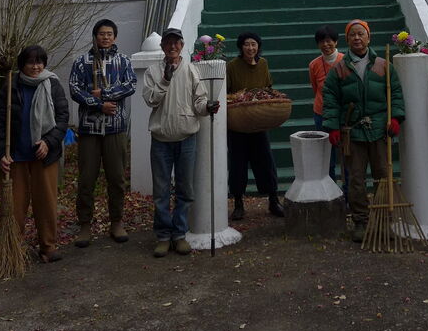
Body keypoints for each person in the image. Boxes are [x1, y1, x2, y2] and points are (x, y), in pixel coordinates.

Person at [322, 19, 404, 242]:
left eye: (361, 34)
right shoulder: (338, 69)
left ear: (369, 37)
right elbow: (330, 100)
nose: (357, 38)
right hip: (353, 132)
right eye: (352, 35)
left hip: (379, 129)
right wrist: (332, 127)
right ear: (347, 40)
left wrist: (395, 118)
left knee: (383, 176)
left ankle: (383, 219)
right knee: (356, 179)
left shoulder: (383, 66)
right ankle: (360, 220)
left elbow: (395, 93)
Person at [142, 26, 219, 257]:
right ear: (163, 46)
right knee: (161, 191)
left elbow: (199, 101)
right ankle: (164, 236)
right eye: (169, 42)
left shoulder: (191, 70)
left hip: (186, 138)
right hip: (161, 139)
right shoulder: (152, 72)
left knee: (185, 189)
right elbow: (150, 100)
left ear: (182, 45)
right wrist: (165, 79)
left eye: (177, 42)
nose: (173, 46)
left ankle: (179, 234)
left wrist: (207, 108)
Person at [0, 44, 69, 264]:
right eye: (30, 62)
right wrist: (0, 155)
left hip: (43, 157)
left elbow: (63, 119)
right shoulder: (11, 85)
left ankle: (48, 246)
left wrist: (49, 142)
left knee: (46, 203)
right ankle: (14, 249)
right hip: (15, 156)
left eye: (39, 61)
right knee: (14, 207)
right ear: (22, 64)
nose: (35, 66)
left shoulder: (52, 84)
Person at [69, 18, 137, 247]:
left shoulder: (124, 61)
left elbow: (131, 85)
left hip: (115, 128)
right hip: (89, 128)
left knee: (117, 178)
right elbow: (74, 89)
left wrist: (105, 95)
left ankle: (116, 221)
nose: (105, 37)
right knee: (86, 179)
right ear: (95, 36)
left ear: (115, 37)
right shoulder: (81, 61)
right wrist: (98, 104)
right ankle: (85, 225)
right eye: (101, 33)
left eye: (109, 34)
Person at [226, 31, 284, 221]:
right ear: (240, 47)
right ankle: (238, 203)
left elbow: (267, 87)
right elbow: (226, 92)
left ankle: (273, 200)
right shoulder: (232, 66)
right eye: (246, 44)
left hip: (259, 120)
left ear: (258, 46)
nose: (250, 48)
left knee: (265, 161)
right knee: (238, 163)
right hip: (238, 122)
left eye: (254, 44)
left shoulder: (263, 64)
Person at [308, 26, 344, 181]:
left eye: (329, 41)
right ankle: (329, 188)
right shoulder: (314, 65)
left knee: (347, 155)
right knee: (325, 155)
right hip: (321, 113)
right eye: (322, 41)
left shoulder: (346, 60)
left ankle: (348, 192)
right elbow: (315, 88)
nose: (326, 44)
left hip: (344, 114)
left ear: (336, 42)